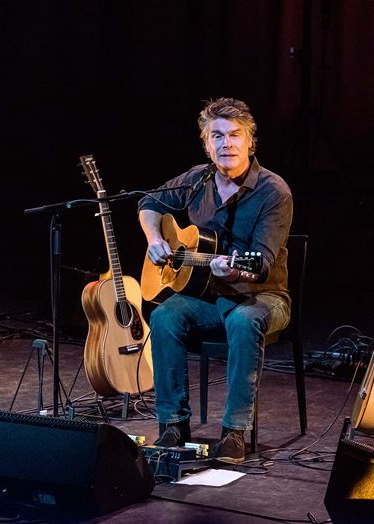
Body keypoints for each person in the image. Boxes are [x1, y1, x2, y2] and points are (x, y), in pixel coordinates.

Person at [138, 97, 292, 463]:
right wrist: (156, 241)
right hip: (207, 295)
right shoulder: (196, 180)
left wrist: (237, 270)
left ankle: (234, 432)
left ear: (250, 142)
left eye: (235, 135)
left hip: (262, 295)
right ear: (207, 146)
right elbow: (147, 203)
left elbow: (263, 264)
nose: (227, 144)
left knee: (243, 319)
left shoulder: (274, 191)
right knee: (164, 316)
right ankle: (173, 425)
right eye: (217, 136)